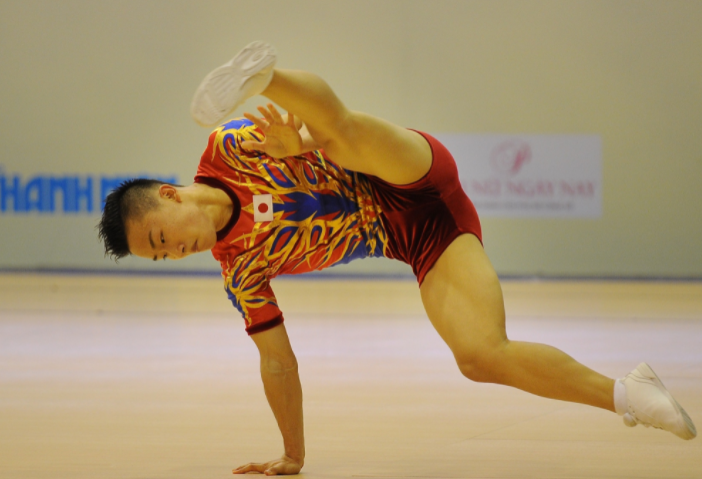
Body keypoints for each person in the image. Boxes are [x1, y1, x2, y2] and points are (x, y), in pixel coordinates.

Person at [98, 41, 696, 476]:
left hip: (400, 166)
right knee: (479, 356)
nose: (174, 250)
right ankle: (629, 394)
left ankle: (263, 76)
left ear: (171, 196)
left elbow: (326, 131)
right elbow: (278, 363)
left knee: (342, 135)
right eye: (162, 256)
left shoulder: (228, 147)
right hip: (423, 232)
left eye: (160, 237)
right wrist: (294, 453)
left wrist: (298, 143)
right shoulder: (241, 274)